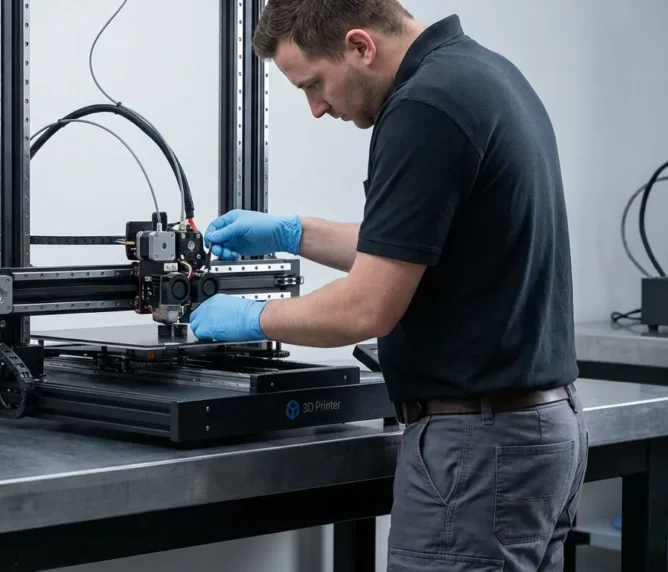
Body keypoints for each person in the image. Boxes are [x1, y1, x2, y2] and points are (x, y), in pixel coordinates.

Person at [188, 1, 588, 570]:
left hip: (477, 449)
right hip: (535, 434)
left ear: (360, 46)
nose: (317, 108)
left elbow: (367, 306)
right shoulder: (482, 74)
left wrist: (250, 318)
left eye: (315, 84)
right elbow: (409, 249)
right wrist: (291, 232)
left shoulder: (424, 107)